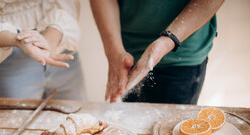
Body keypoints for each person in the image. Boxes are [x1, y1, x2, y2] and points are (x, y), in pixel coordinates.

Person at [90, 0, 224, 104]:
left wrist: (168, 41)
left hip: (181, 55)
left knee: (170, 133)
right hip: (128, 53)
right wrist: (114, 52)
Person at [0, 0, 87, 100]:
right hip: (4, 55)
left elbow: (69, 4)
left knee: (78, 128)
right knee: (16, 133)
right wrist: (17, 39)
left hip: (61, 49)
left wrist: (48, 42)